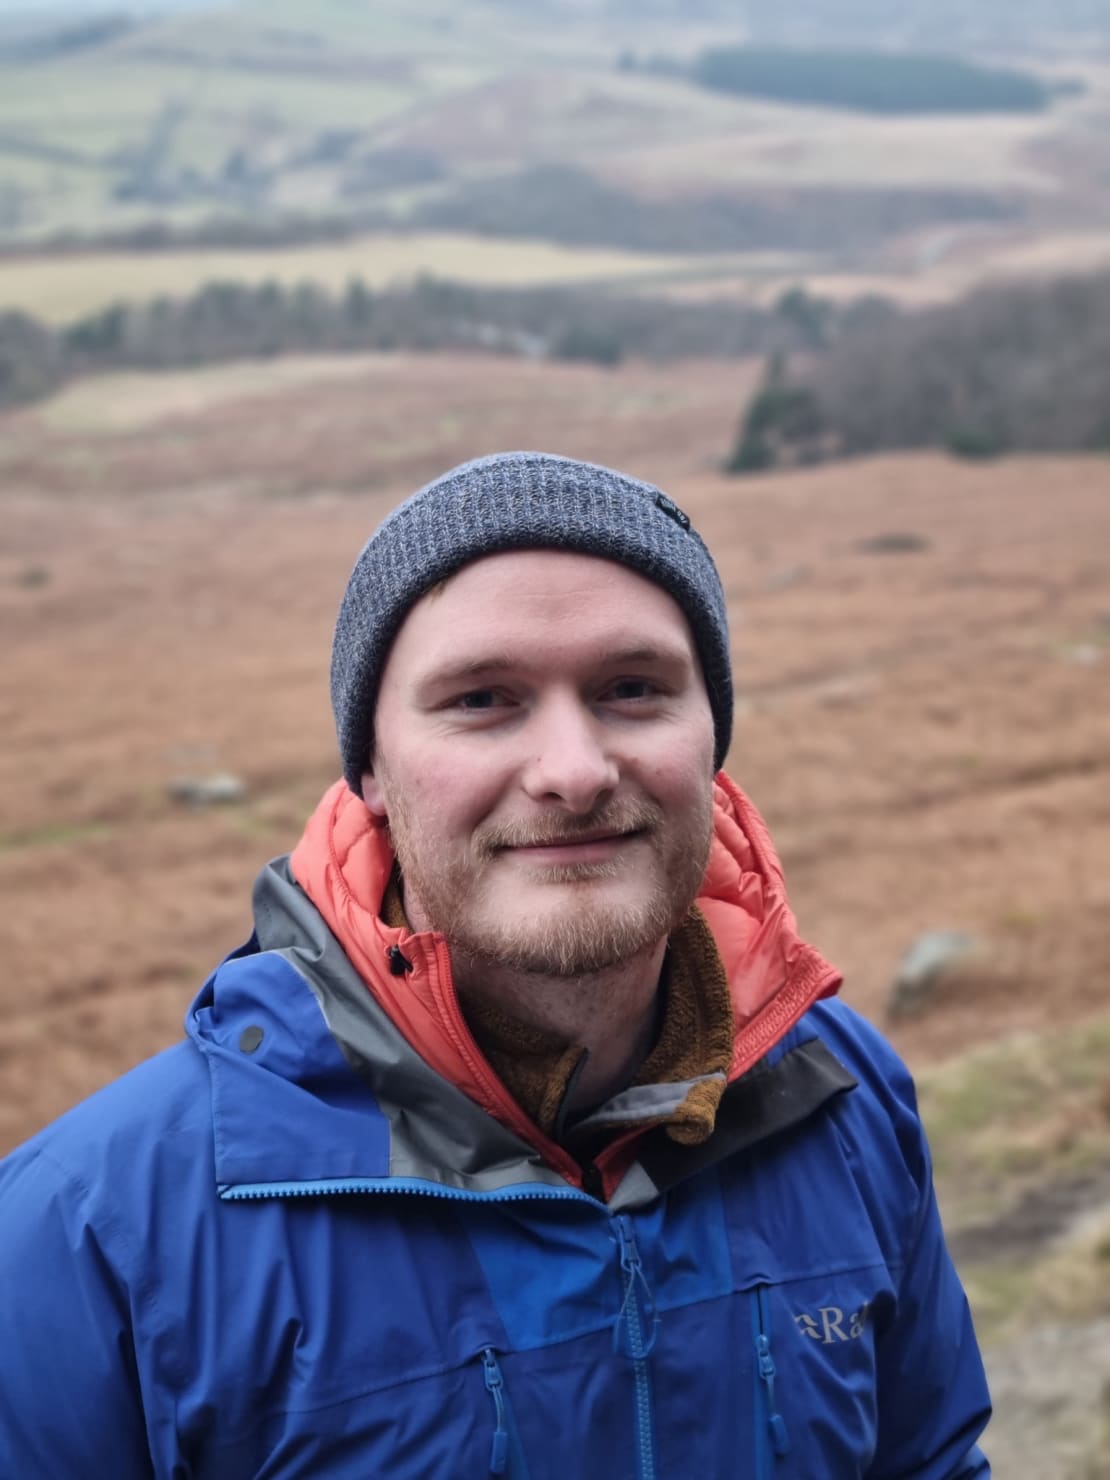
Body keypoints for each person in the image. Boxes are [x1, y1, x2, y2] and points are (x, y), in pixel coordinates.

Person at [0, 451, 990, 1477]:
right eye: (482, 699)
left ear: (712, 739)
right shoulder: (88, 1241)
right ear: (370, 769)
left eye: (633, 688)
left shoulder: (841, 1097)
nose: (572, 770)